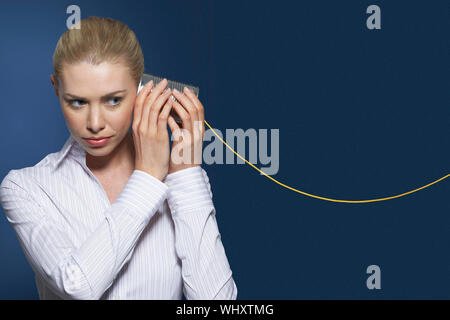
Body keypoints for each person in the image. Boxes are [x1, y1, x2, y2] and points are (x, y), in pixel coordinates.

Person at [0, 16, 237, 300]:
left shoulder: (181, 181)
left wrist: (186, 175)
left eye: (113, 100)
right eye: (77, 101)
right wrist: (148, 178)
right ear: (56, 89)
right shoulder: (26, 188)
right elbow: (77, 287)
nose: (95, 122)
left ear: (141, 90)